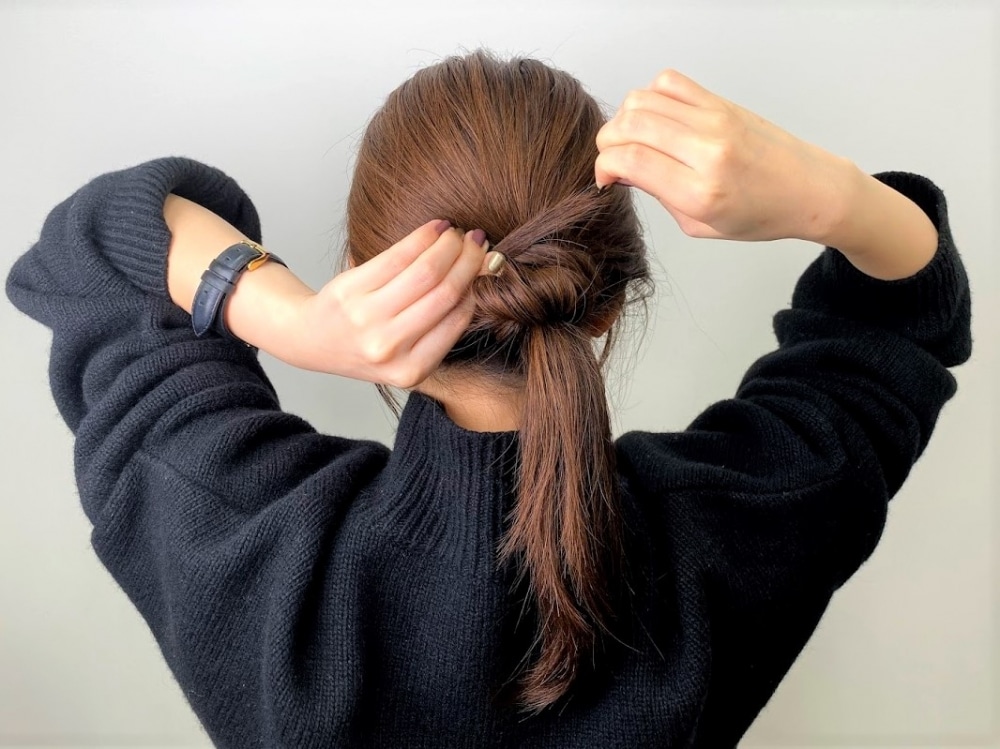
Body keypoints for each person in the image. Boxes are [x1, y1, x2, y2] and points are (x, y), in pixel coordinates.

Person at [5, 49, 971, 748]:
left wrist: (292, 321)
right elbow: (900, 323)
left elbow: (93, 249)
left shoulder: (243, 540)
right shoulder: (741, 528)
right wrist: (830, 196)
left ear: (363, 281)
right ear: (605, 303)